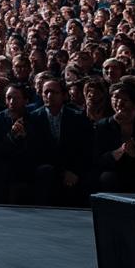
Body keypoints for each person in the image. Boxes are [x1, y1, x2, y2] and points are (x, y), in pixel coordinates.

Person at [27, 76, 91, 206]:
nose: (49, 95)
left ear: (64, 95)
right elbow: (34, 152)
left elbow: (84, 149)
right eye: (46, 92)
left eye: (54, 92)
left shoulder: (77, 117)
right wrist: (61, 172)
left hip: (72, 167)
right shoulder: (32, 118)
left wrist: (73, 171)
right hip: (47, 168)